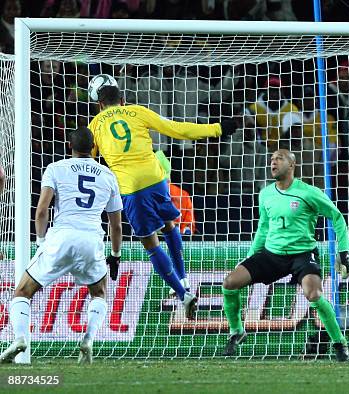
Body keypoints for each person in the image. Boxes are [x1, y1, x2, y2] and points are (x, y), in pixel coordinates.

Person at [87, 77, 238, 319]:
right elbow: (176, 128)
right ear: (123, 100)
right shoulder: (137, 112)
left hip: (131, 188)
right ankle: (184, 278)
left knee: (151, 243)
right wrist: (217, 128)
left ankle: (183, 294)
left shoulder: (95, 125)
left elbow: (88, 161)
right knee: (169, 225)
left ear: (99, 104)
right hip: (156, 179)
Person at [0, 127, 123, 365]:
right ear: (94, 147)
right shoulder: (108, 176)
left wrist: (41, 242)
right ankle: (88, 339)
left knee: (23, 292)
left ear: (70, 146)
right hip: (91, 240)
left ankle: (20, 338)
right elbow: (116, 225)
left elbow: (42, 211)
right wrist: (115, 255)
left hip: (61, 237)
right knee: (99, 293)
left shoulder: (55, 168)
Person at [220, 149, 349, 361]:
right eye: (271, 159)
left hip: (302, 255)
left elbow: (337, 217)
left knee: (314, 295)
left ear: (292, 165)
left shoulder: (309, 192)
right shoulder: (265, 193)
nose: (273, 162)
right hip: (271, 255)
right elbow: (263, 228)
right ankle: (236, 331)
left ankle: (340, 344)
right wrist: (250, 256)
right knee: (229, 283)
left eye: (279, 159)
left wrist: (344, 251)